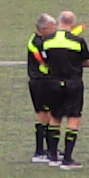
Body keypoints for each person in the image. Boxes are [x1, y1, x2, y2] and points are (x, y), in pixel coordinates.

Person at [39, 11, 89, 170]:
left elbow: (45, 60)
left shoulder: (47, 41)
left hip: (53, 83)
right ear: (73, 23)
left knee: (55, 118)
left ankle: (53, 156)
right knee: (73, 118)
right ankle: (67, 159)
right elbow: (87, 62)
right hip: (73, 83)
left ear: (58, 21)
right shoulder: (78, 41)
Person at [27, 15, 58, 163]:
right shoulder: (37, 43)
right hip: (40, 82)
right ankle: (40, 151)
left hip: (44, 81)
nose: (55, 30)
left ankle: (50, 149)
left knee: (49, 114)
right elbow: (45, 61)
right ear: (43, 29)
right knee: (43, 115)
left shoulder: (41, 40)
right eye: (52, 28)